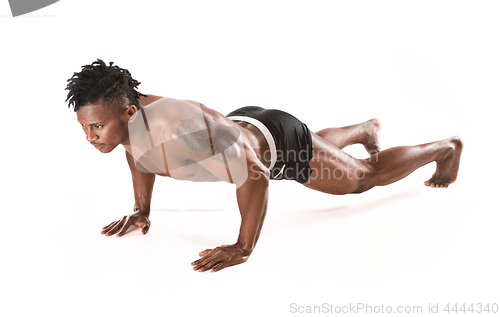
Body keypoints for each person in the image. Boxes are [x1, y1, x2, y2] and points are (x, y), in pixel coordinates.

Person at [66, 59, 463, 273]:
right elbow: (138, 153)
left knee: (361, 178)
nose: (91, 137)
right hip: (246, 127)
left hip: (277, 145)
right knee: (318, 149)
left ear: (130, 112)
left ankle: (444, 149)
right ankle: (364, 127)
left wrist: (243, 247)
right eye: (85, 128)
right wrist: (141, 210)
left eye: (97, 127)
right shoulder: (129, 120)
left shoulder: (179, 127)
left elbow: (255, 173)